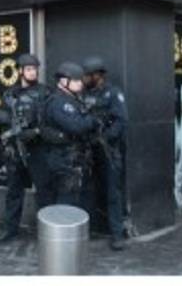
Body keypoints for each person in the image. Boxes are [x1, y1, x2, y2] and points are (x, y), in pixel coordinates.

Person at [0, 53, 52, 243]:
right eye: (28, 69)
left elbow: (50, 120)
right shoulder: (10, 93)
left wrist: (35, 132)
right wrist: (2, 117)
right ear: (20, 71)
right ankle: (10, 229)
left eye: (35, 69)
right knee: (13, 191)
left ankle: (47, 231)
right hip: (15, 149)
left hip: (37, 148)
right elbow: (1, 115)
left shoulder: (45, 92)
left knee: (43, 191)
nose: (32, 72)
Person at [81, 56, 128, 250]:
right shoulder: (83, 94)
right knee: (88, 191)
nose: (84, 79)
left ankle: (117, 234)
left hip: (108, 150)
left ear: (97, 75)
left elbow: (120, 121)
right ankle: (89, 229)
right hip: (89, 149)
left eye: (87, 75)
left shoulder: (112, 93)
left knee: (113, 193)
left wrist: (106, 137)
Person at [41, 62, 97, 207]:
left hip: (74, 158)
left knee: (78, 199)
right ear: (64, 82)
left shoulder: (73, 100)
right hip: (63, 159)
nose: (80, 84)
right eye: (76, 80)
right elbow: (76, 126)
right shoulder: (59, 102)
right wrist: (92, 119)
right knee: (67, 201)